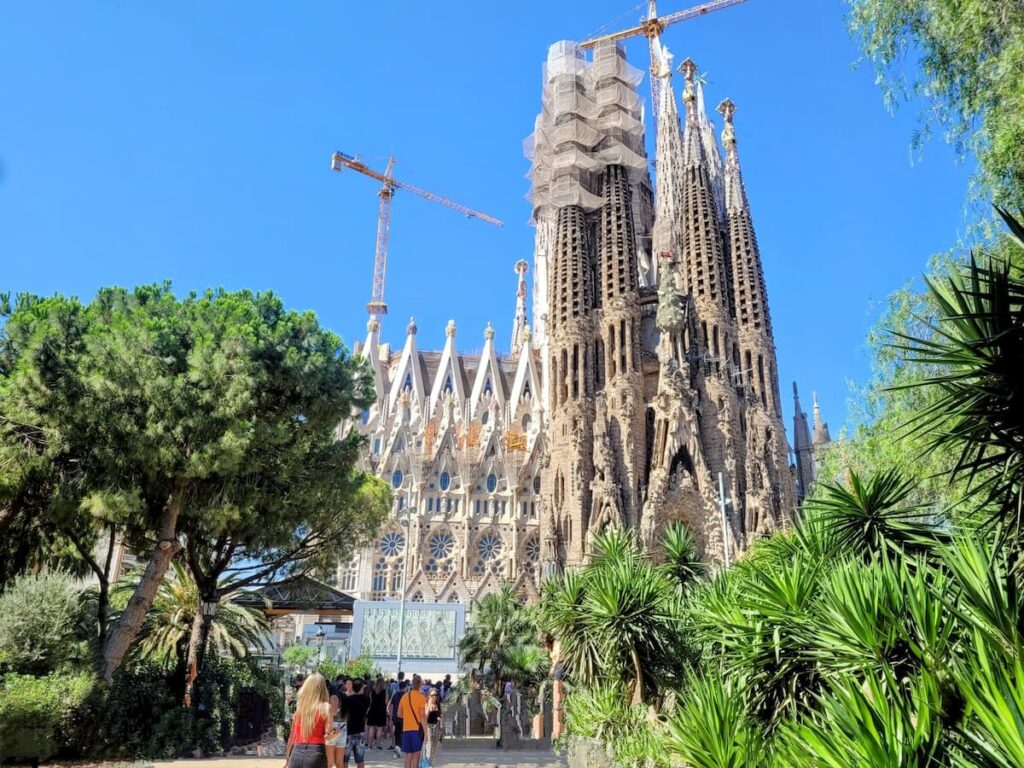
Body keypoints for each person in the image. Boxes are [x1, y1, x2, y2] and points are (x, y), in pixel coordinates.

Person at [284, 673, 333, 768]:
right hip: (316, 754)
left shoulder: (300, 708)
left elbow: (292, 736)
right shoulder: (326, 708)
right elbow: (328, 737)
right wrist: (336, 734)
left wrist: (288, 758)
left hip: (296, 753)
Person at [397, 674, 427, 768]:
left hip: (406, 729)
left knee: (408, 756)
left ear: (412, 684)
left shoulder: (405, 696)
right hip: (416, 730)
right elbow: (422, 716)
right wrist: (426, 732)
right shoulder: (422, 698)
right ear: (420, 685)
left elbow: (399, 714)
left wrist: (408, 716)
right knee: (416, 755)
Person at [343, 678, 370, 768]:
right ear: (362, 687)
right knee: (360, 759)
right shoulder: (366, 699)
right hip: (360, 731)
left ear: (352, 687)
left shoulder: (348, 699)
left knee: (345, 759)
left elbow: (344, 714)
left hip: (349, 731)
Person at [423, 687, 444, 766]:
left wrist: (440, 719)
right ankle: (427, 764)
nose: (434, 697)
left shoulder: (439, 705)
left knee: (435, 747)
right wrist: (429, 705)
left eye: (436, 695)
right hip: (429, 727)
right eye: (432, 695)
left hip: (437, 727)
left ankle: (431, 763)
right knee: (429, 746)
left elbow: (442, 716)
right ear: (429, 696)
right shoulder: (427, 705)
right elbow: (425, 716)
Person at [366, 677, 388, 750]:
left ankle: (369, 745)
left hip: (372, 710)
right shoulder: (385, 691)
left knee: (371, 728)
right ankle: (378, 745)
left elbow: (370, 701)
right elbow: (386, 702)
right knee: (379, 729)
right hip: (381, 711)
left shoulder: (372, 691)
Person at [388, 680, 407, 756]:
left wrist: (390, 718)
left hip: (396, 716)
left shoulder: (395, 695)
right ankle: (402, 747)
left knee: (397, 733)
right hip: (404, 717)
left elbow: (391, 707)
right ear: (405, 687)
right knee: (404, 732)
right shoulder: (406, 695)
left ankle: (397, 746)